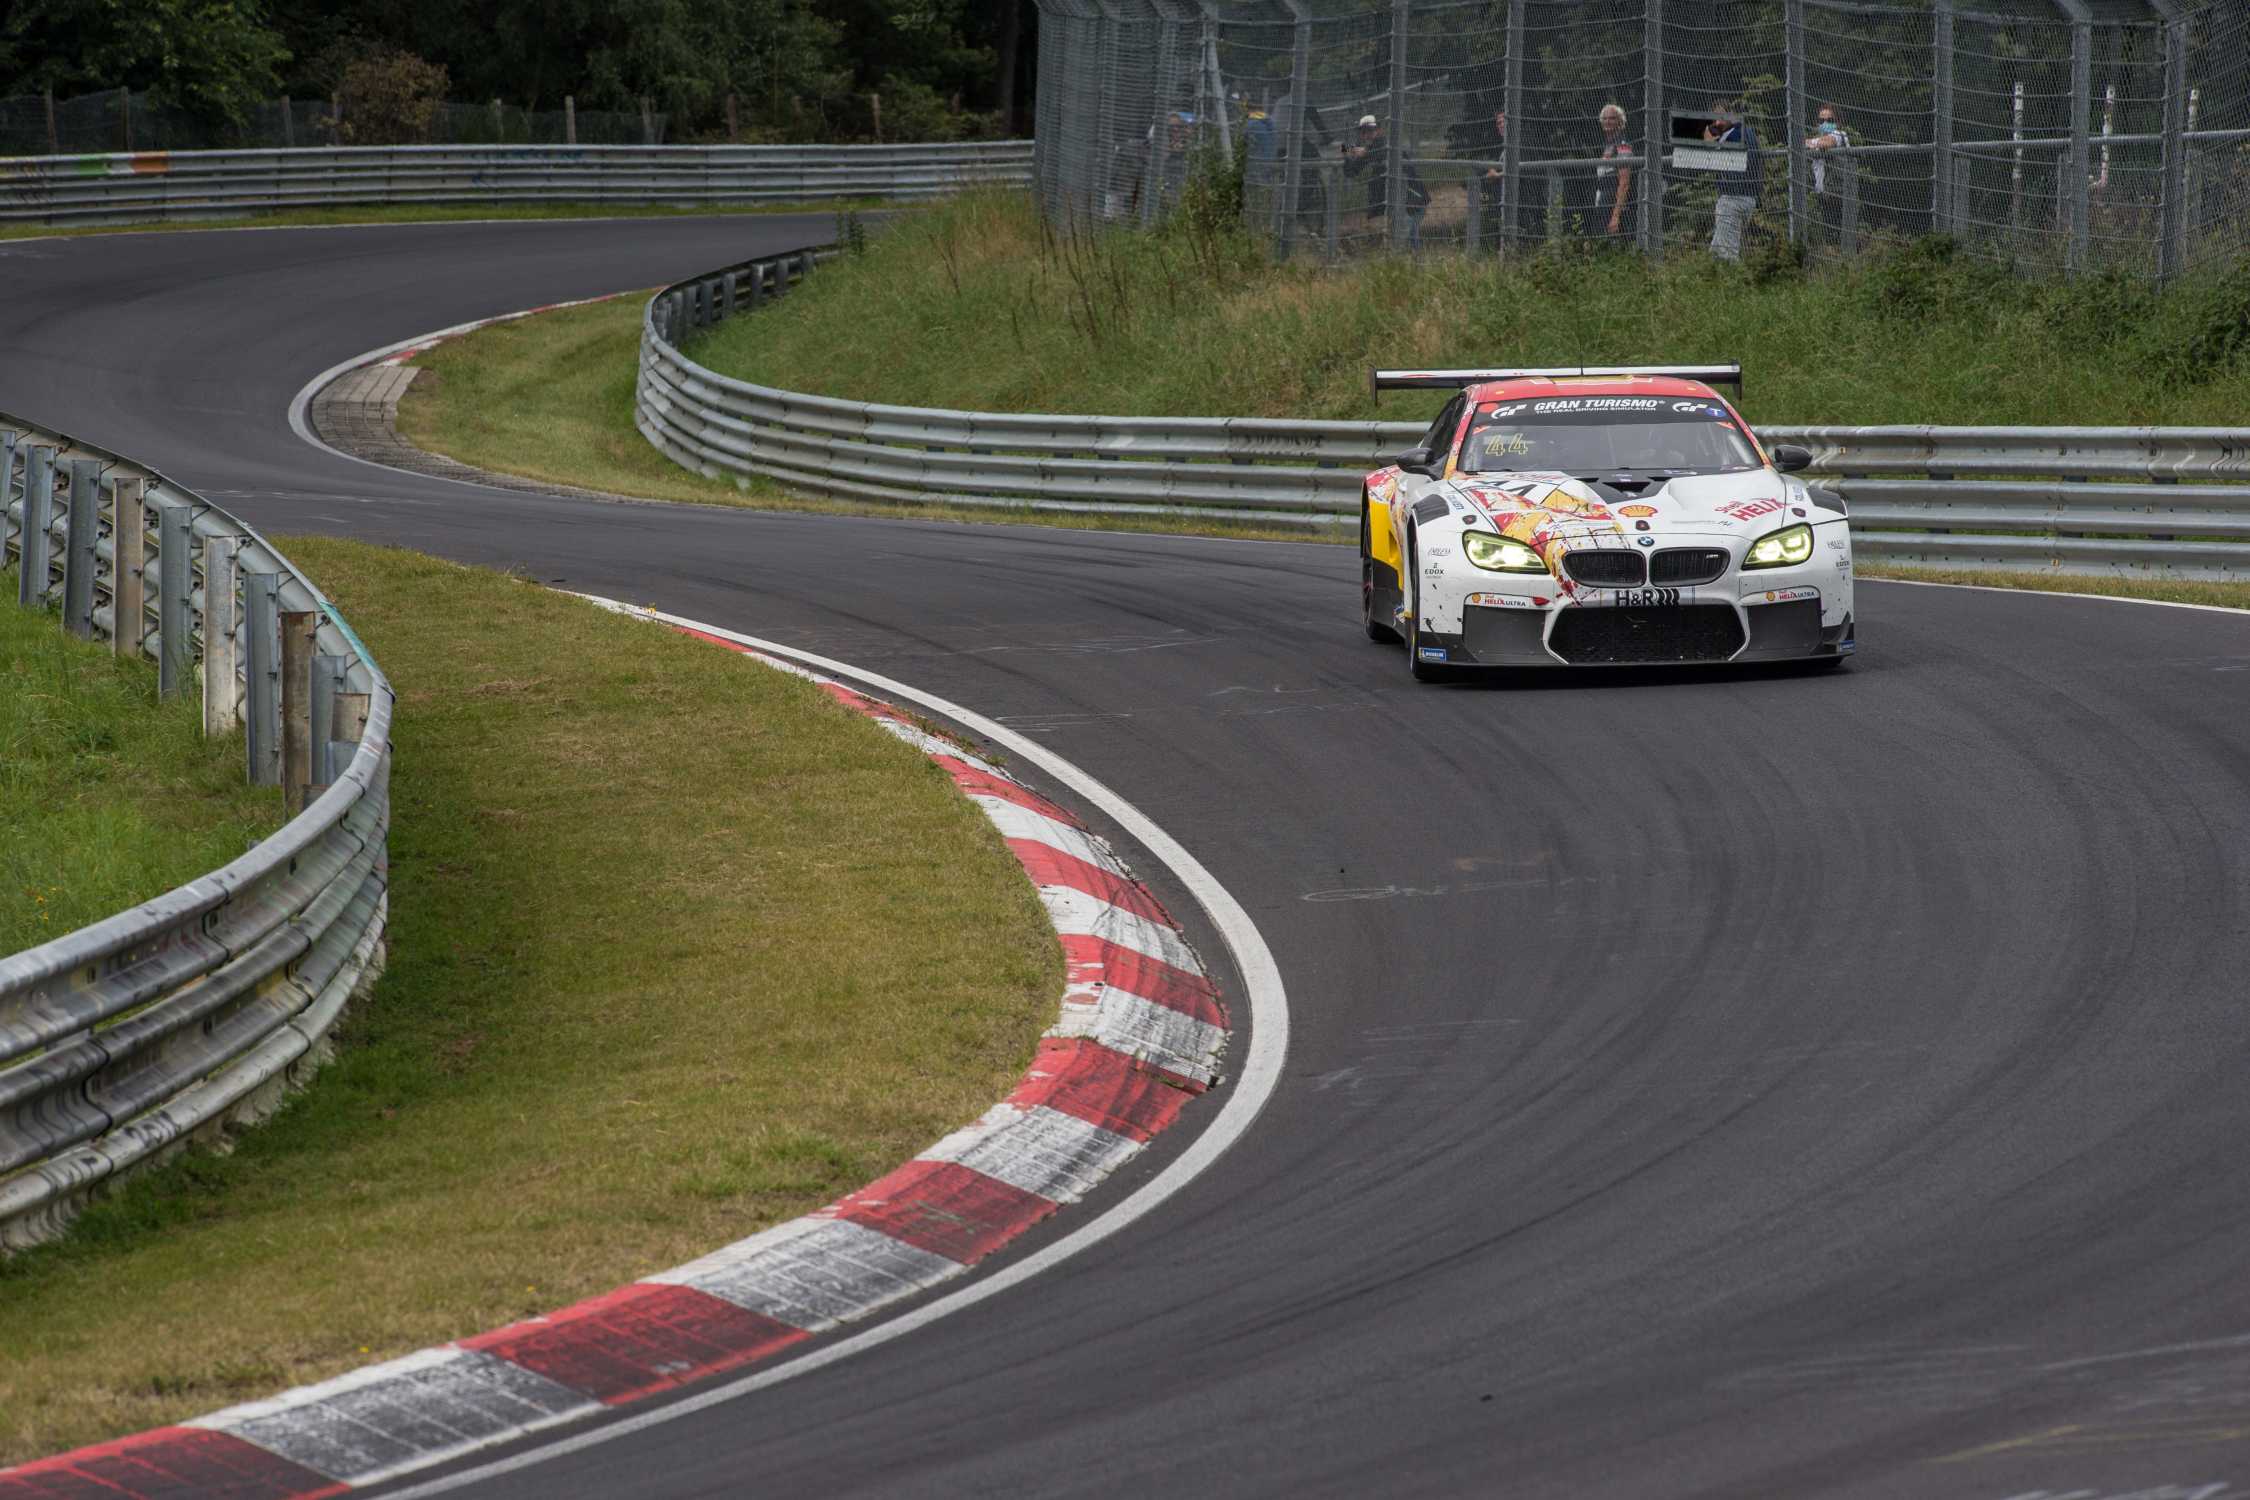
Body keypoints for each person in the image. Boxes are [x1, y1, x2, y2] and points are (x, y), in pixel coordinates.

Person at [1343, 113, 1430, 251]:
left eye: (1371, 131)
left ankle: (1415, 262)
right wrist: (1348, 154)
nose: (1367, 135)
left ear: (1379, 131)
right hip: (1397, 203)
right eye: (1364, 132)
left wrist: (1362, 152)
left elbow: (1382, 153)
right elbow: (1351, 171)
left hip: (1413, 199)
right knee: (1403, 238)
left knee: (1407, 236)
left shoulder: (1387, 146)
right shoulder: (1370, 151)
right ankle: (1411, 262)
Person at [1704, 97, 1760, 262]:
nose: (1718, 121)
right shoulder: (1729, 135)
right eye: (1715, 118)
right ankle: (1714, 282)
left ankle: (1738, 283)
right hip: (1738, 197)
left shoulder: (1740, 133)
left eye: (1722, 115)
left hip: (1734, 197)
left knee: (1728, 253)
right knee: (1716, 252)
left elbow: (1744, 164)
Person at [1584, 103, 1635, 244]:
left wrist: (1616, 216)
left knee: (1612, 245)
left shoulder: (1623, 144)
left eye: (1612, 118)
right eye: (1605, 118)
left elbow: (1624, 183)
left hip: (1614, 205)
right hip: (1601, 202)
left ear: (1620, 121)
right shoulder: (1606, 145)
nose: (1607, 121)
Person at [1804, 103, 1847, 195]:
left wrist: (1812, 143)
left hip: (1838, 191)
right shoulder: (1817, 139)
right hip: (1820, 193)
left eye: (1830, 120)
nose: (1825, 124)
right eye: (1821, 120)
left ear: (1838, 122)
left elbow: (1827, 143)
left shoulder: (1840, 134)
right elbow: (1802, 142)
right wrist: (1814, 143)